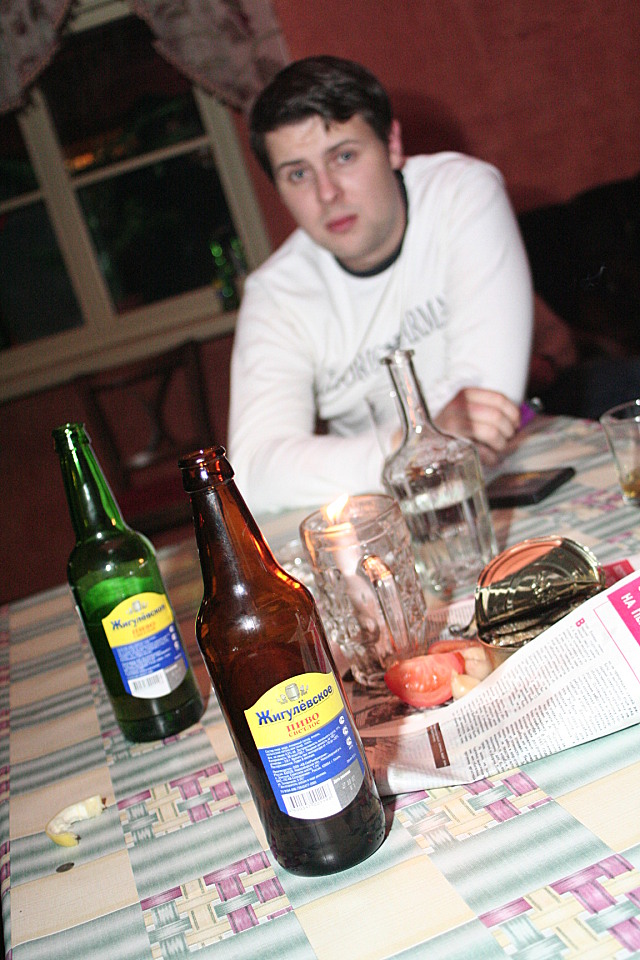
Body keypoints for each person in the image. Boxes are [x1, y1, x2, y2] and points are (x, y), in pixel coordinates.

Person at [229, 56, 533, 515]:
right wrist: (405, 449)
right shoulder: (275, 293)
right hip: (385, 509)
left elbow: (484, 411)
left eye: (344, 157)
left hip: (505, 477)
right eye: (298, 174)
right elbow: (252, 473)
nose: (327, 193)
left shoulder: (461, 193)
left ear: (391, 144)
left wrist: (383, 454)